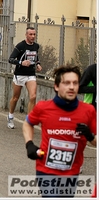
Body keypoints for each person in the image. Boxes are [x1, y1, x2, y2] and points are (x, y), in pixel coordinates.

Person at [22, 65, 96, 197]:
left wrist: (89, 135)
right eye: (66, 83)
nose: (71, 87)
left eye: (75, 83)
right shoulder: (43, 107)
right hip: (46, 169)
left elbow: (96, 142)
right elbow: (28, 123)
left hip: (71, 172)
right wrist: (29, 144)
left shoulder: (88, 111)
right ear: (56, 86)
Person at [7, 27, 42, 129]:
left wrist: (38, 64)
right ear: (26, 35)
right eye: (30, 34)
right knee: (15, 97)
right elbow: (11, 59)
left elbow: (36, 58)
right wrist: (21, 62)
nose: (32, 36)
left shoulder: (36, 46)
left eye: (34, 34)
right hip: (20, 74)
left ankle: (29, 121)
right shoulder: (20, 46)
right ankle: (10, 116)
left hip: (31, 74)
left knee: (33, 96)